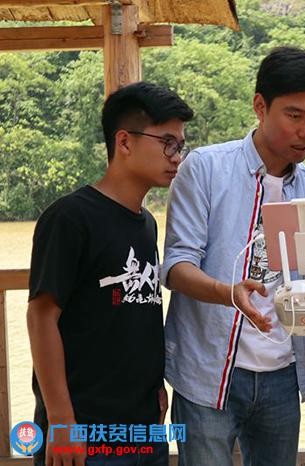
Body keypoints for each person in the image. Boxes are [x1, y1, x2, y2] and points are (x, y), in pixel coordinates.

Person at [162, 47, 305, 466]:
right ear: (260, 106)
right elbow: (176, 267)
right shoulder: (205, 169)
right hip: (209, 371)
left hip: (283, 373)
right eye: (294, 115)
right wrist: (229, 293)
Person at [27, 82, 194, 466]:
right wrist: (61, 420)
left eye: (180, 146)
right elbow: (41, 316)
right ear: (124, 142)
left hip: (142, 426)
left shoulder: (147, 224)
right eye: (167, 143)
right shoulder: (71, 218)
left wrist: (155, 386)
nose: (176, 157)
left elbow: (136, 313)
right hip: (84, 428)